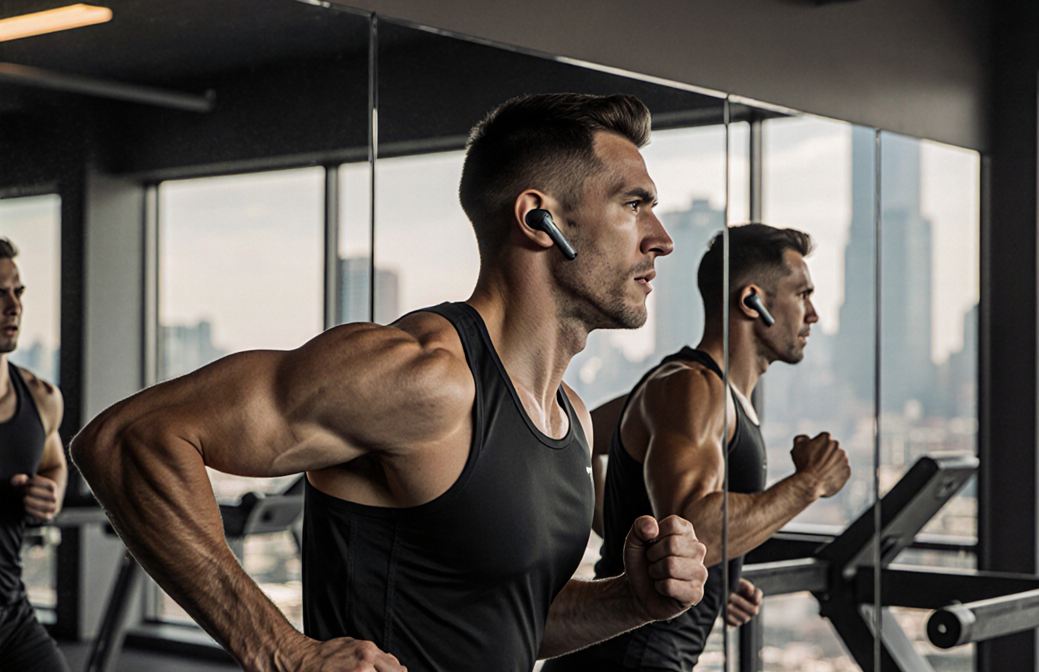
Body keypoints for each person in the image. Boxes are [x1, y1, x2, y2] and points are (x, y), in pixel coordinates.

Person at [71, 93, 710, 672]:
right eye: (634, 206)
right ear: (539, 220)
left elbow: (508, 618)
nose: (661, 240)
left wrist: (632, 601)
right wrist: (280, 650)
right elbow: (129, 439)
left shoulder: (569, 417)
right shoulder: (425, 377)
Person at [545, 224, 851, 671]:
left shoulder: (702, 391)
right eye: (802, 294)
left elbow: (583, 432)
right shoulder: (692, 388)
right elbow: (692, 527)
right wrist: (809, 484)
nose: (814, 315)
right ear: (753, 301)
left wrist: (707, 577)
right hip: (627, 658)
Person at [0, 238, 70, 672]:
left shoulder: (41, 397)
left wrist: (51, 493)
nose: (13, 306)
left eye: (18, 291)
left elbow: (53, 463)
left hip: (10, 615)